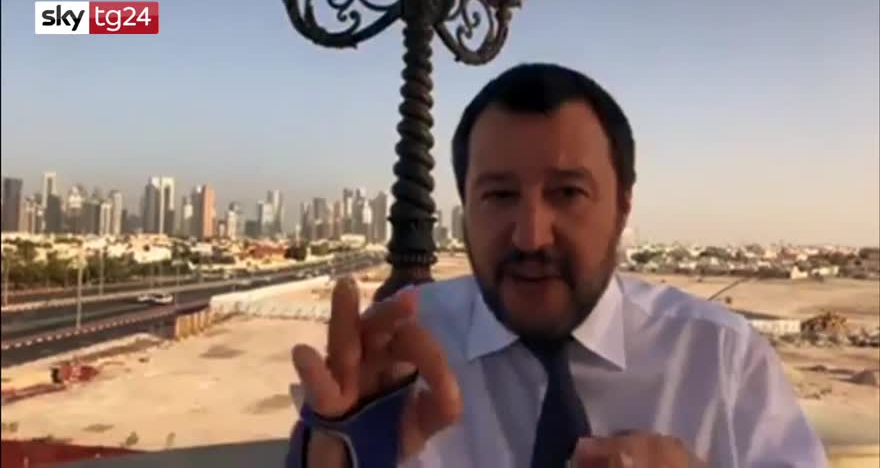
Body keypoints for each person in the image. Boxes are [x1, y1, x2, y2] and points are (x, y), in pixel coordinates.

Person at [285, 63, 827, 467]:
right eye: (499, 196)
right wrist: (336, 453)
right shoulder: (396, 358)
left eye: (568, 193)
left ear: (623, 207)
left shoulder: (722, 360)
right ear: (465, 207)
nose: (530, 236)